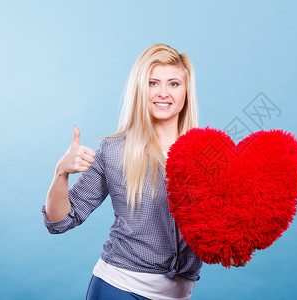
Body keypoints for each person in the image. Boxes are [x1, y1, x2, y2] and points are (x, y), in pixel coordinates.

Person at [42, 43, 248, 300]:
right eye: (153, 83)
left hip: (180, 294)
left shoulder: (209, 155)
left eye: (173, 83)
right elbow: (59, 221)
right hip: (119, 289)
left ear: (186, 92)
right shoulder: (114, 150)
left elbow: (217, 227)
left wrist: (234, 249)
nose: (163, 93)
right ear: (140, 90)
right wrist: (61, 172)